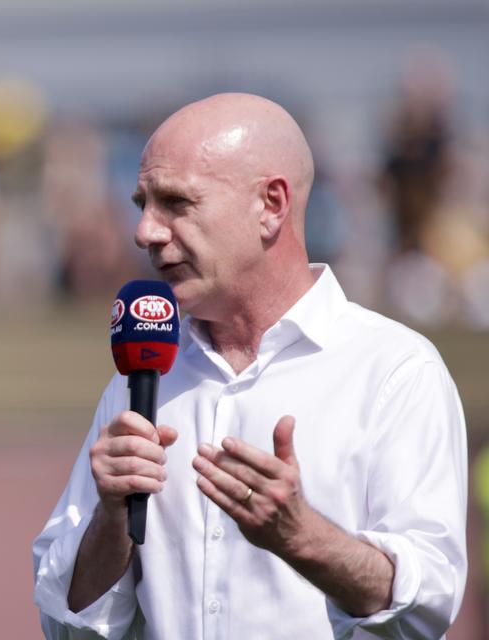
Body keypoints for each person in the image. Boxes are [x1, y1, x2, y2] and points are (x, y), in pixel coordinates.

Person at [33, 93, 467, 638]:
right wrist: (110, 519)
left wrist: (303, 536)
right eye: (142, 202)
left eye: (176, 202)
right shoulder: (142, 378)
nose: (145, 231)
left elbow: (427, 605)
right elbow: (66, 627)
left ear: (271, 205)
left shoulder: (393, 370)